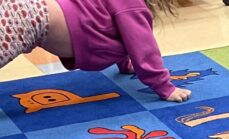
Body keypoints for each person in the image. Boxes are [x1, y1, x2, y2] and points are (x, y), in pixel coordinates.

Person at [0, 0, 190, 102]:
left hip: (25, 10)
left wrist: (125, 64)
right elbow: (143, 46)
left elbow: (113, 31)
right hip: (26, 18)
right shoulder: (131, 5)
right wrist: (165, 87)